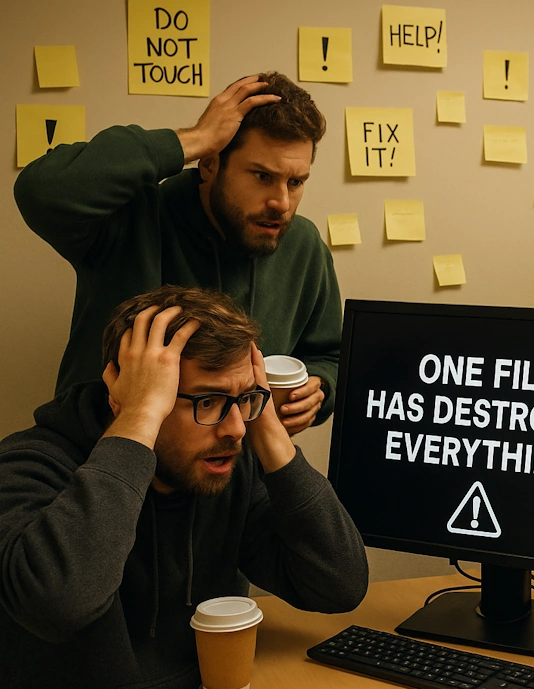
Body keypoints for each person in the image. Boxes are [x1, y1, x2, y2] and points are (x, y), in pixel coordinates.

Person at [0, 286, 369, 689]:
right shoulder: (29, 467)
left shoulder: (224, 467)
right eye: (208, 401)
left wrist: (265, 426)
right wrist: (136, 420)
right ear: (128, 395)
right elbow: (58, 605)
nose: (233, 428)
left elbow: (338, 583)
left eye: (243, 399)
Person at [14, 72, 340, 435]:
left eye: (295, 182)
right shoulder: (131, 218)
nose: (281, 203)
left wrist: (320, 388)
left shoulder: (304, 245)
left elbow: (329, 355)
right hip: (105, 462)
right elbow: (40, 190)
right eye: (262, 176)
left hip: (233, 474)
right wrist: (194, 139)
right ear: (209, 162)